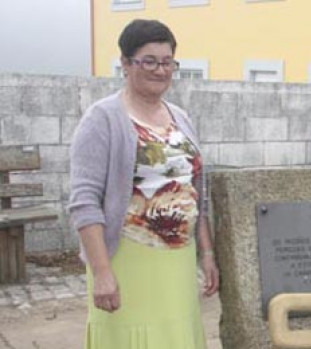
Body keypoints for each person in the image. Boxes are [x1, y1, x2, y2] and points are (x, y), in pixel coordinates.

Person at [68, 19, 219, 348]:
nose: (160, 70)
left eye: (167, 62)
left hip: (178, 260)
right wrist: (102, 271)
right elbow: (84, 202)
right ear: (125, 63)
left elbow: (195, 192)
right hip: (128, 259)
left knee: (176, 336)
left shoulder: (181, 117)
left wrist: (207, 253)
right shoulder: (102, 119)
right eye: (148, 61)